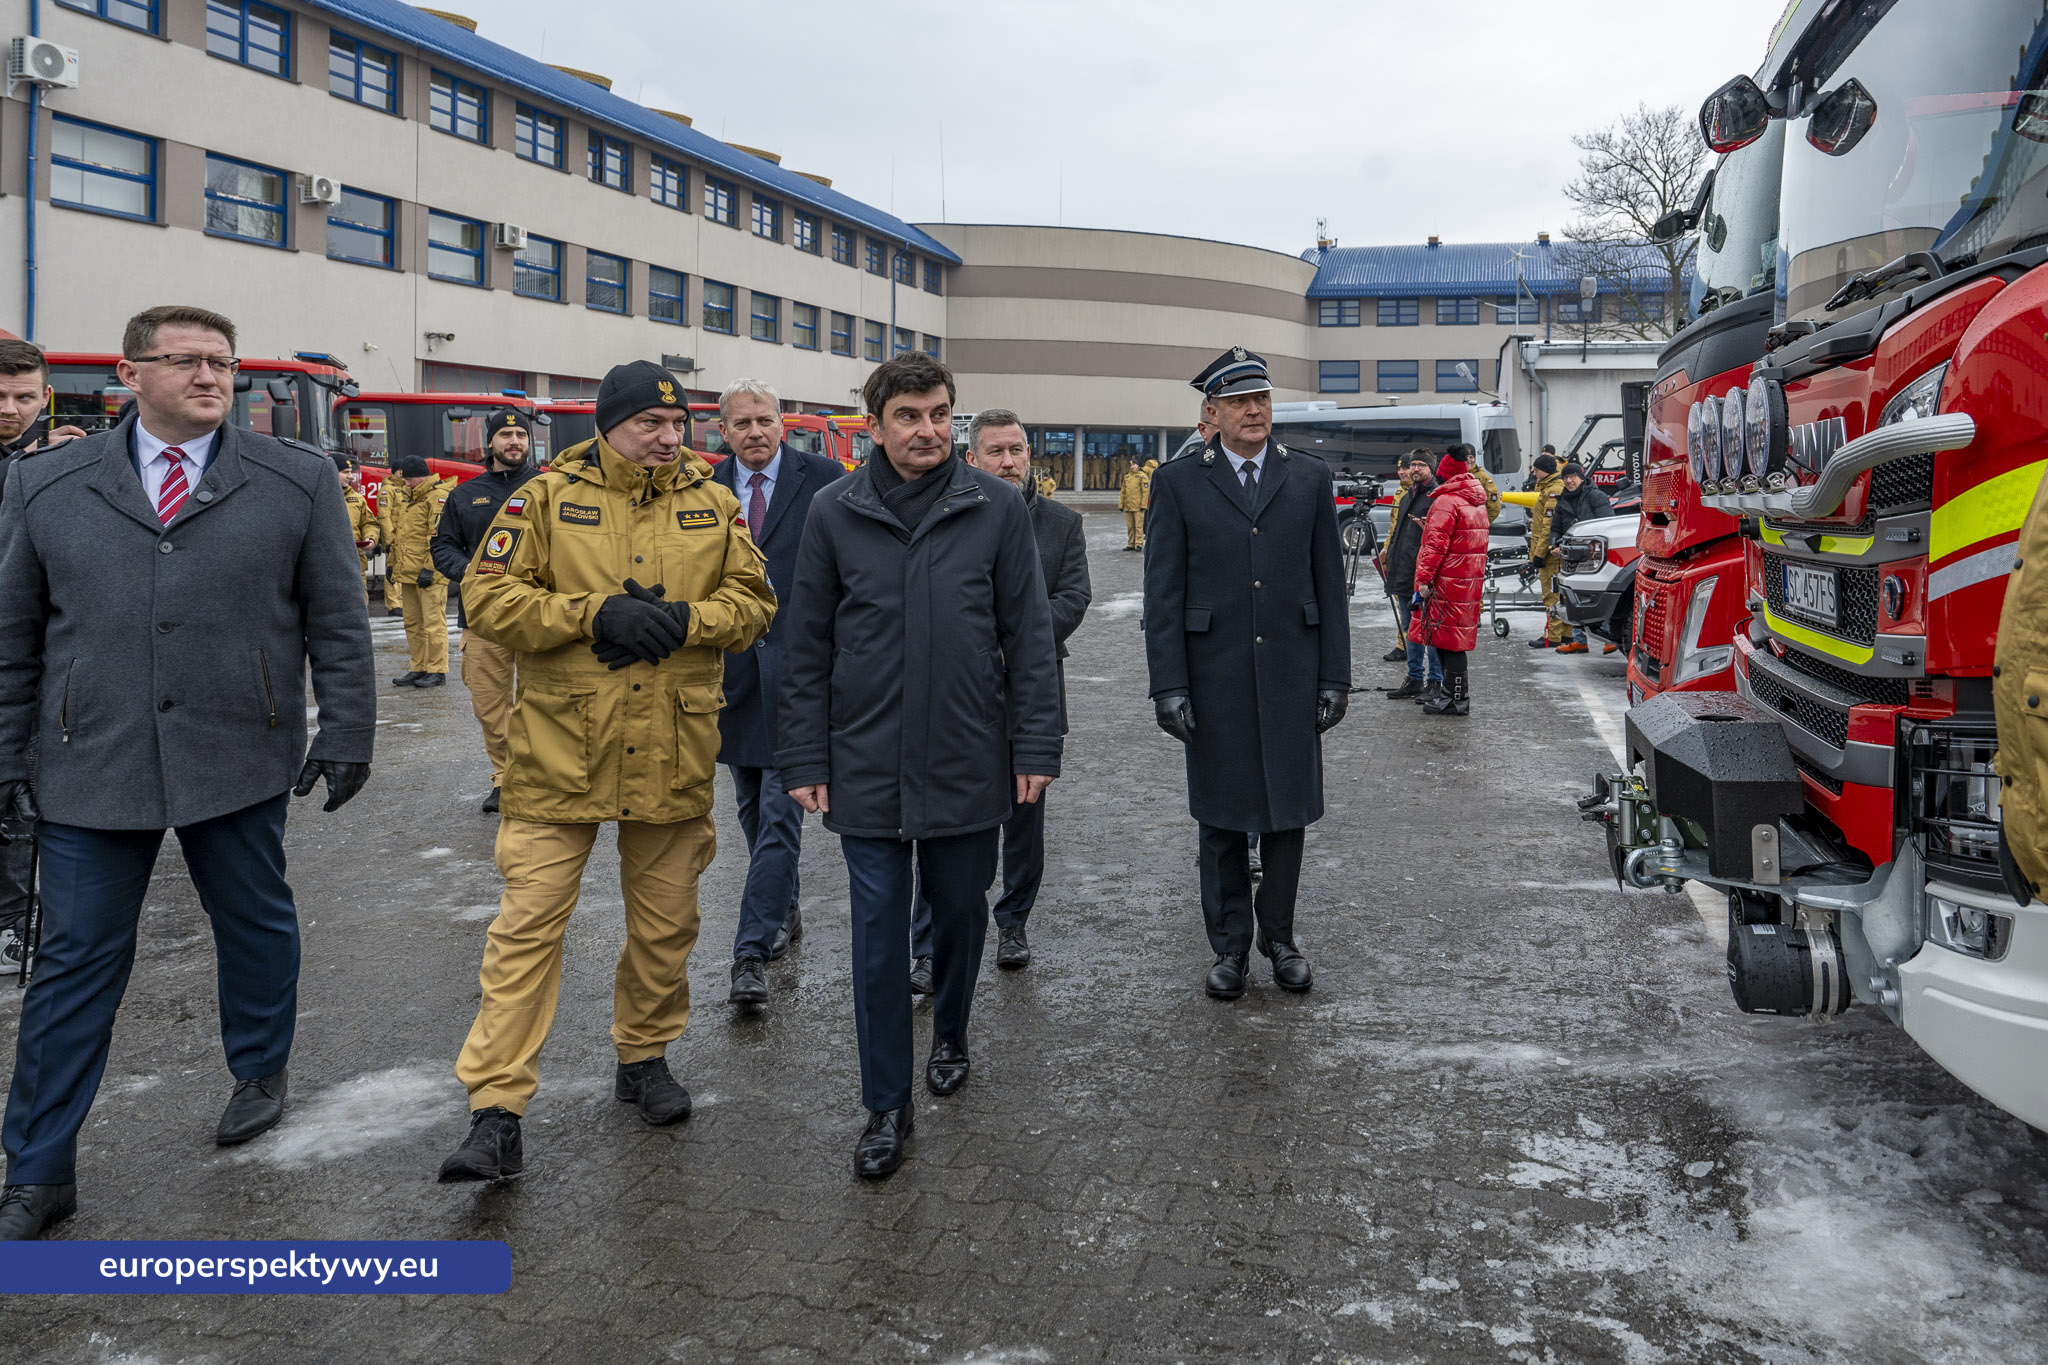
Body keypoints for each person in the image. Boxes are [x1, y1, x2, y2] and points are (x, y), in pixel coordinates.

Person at [0, 304, 375, 1240]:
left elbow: (337, 621)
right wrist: (8, 754)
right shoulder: (47, 485)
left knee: (252, 921)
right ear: (130, 375)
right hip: (94, 760)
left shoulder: (297, 480)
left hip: (238, 751)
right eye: (187, 361)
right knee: (73, 960)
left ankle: (259, 1065)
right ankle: (39, 1167)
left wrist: (350, 731)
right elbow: (13, 639)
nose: (211, 377)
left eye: (222, 362)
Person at [436, 360, 774, 1183]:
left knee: (664, 926)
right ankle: (496, 1109)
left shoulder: (712, 501)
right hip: (561, 752)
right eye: (651, 425)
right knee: (526, 931)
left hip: (673, 748)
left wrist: (686, 621)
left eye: (679, 424)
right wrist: (592, 614)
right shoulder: (543, 498)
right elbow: (486, 599)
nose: (669, 438)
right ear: (609, 424)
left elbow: (756, 603)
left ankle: (644, 1056)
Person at [778, 354, 1062, 1179]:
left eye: (940, 413)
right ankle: (884, 1106)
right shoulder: (834, 512)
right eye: (909, 415)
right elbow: (807, 646)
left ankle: (954, 1030)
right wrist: (802, 753)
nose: (929, 429)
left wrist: (1035, 747)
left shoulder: (997, 508)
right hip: (863, 762)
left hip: (969, 757)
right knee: (874, 937)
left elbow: (1030, 638)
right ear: (875, 425)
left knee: (960, 914)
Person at [1143, 346, 1350, 1001]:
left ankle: (1280, 939)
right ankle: (1229, 947)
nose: (1254, 410)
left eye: (1261, 398)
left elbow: (1330, 583)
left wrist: (1335, 676)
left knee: (1288, 815)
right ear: (1213, 412)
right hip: (1215, 675)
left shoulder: (1308, 477)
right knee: (1222, 819)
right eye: (1238, 401)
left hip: (1292, 670)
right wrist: (1168, 684)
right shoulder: (1179, 483)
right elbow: (1163, 592)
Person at [908, 409, 1091, 974]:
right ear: (972, 458)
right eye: (996, 452)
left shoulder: (1061, 523)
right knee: (942, 823)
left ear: (1029, 455)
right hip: (960, 697)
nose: (1008, 461)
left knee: (1024, 817)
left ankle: (1013, 922)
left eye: (1017, 450)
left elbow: (1072, 598)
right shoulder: (950, 515)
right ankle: (928, 942)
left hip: (1032, 694)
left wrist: (1015, 643)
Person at [707, 378, 844, 1009]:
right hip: (730, 674)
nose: (754, 432)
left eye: (764, 420)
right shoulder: (700, 486)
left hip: (804, 673)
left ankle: (749, 952)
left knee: (781, 812)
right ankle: (783, 906)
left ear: (782, 422)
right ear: (723, 429)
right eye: (742, 424)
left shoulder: (827, 477)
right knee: (751, 808)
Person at [431, 411, 543, 812]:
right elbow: (443, 546)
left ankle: (541, 778)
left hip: (541, 616)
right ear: (490, 442)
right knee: (490, 704)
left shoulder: (553, 488)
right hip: (483, 618)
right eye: (506, 435)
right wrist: (471, 572)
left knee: (544, 702)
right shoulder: (465, 494)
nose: (514, 441)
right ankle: (506, 778)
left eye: (520, 434)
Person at [1409, 450, 1492, 718]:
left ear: (1445, 474)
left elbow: (1435, 547)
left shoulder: (1447, 501)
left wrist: (1423, 580)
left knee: (1448, 643)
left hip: (1447, 581)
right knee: (1453, 639)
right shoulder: (1474, 500)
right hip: (1466, 579)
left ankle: (1455, 699)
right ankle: (1453, 697)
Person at [387, 456, 455, 687]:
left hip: (428, 575)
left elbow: (436, 537)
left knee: (433, 622)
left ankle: (437, 670)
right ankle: (419, 667)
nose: (405, 483)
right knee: (413, 623)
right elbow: (402, 535)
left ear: (421, 476)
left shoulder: (437, 497)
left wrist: (430, 568)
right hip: (408, 573)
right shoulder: (413, 497)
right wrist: (393, 565)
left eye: (408, 478)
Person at [1383, 460, 1444, 701]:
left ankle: (1435, 681)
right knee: (1411, 630)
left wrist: (1428, 578)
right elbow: (1398, 533)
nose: (1415, 469)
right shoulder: (1408, 495)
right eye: (1412, 465)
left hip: (1425, 577)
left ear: (1431, 468)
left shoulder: (1436, 496)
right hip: (1405, 573)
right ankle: (1415, 677)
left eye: (1421, 465)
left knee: (1430, 631)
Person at [1548, 461, 1615, 656]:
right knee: (1573, 596)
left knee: (1601, 593)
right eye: (1566, 478)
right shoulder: (1562, 501)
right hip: (1572, 556)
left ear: (1581, 476)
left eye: (1572, 477)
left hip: (1595, 555)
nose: (1569, 481)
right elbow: (1556, 527)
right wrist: (1554, 544)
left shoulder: (1596, 496)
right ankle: (1579, 640)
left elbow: (1607, 524)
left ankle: (1610, 638)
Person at [0, 340, 87, 464]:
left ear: (45, 397)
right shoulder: (42, 448)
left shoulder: (60, 448)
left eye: (24, 397)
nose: (9, 409)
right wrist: (28, 455)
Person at [1526, 452, 1570, 649]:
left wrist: (1538, 554)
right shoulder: (1549, 487)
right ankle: (1565, 634)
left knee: (1551, 595)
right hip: (1550, 550)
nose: (1533, 473)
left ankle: (1553, 636)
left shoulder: (1553, 490)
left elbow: (1548, 526)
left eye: (1536, 469)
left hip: (1548, 553)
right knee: (1560, 594)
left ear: (1545, 470)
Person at [340, 460, 379, 603]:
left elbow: (369, 523)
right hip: (327, 567)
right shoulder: (318, 497)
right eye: (345, 472)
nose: (351, 477)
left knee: (359, 606)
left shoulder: (357, 499)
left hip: (355, 563)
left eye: (351, 472)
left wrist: (371, 538)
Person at [1119, 455, 1147, 551]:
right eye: (1130, 465)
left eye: (1134, 464)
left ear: (1138, 465)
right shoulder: (1127, 477)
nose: (1132, 467)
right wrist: (1121, 504)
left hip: (1138, 506)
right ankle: (1131, 543)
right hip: (1128, 506)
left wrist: (1143, 505)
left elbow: (1145, 492)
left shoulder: (1142, 476)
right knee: (1130, 526)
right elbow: (1123, 492)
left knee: (1138, 526)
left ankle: (1139, 544)